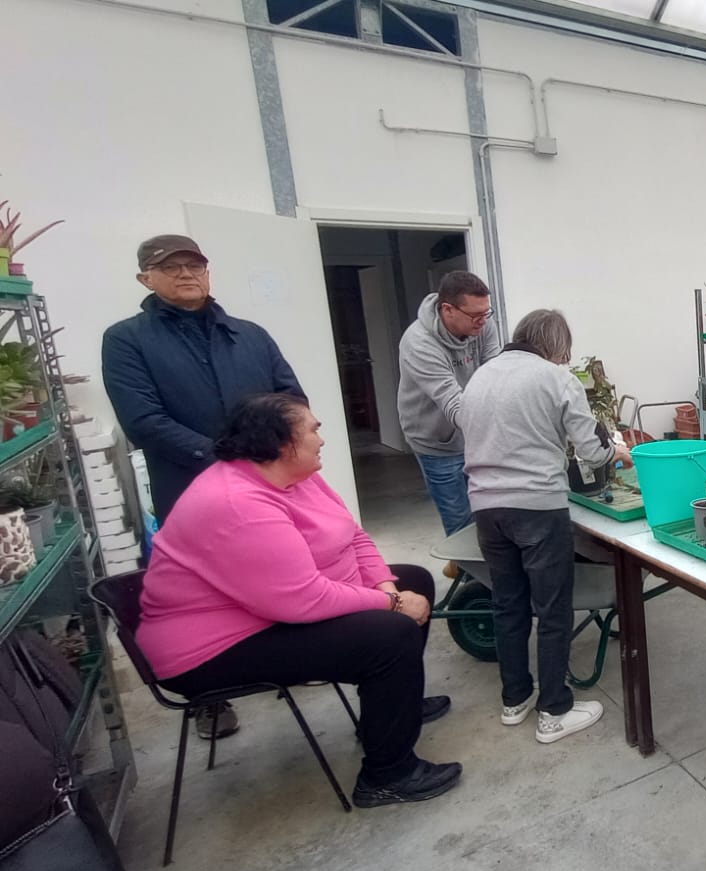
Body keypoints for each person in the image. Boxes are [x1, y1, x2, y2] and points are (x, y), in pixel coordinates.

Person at [137, 394, 461, 808]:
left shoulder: (297, 475)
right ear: (281, 442)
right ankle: (387, 776)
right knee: (390, 634)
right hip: (210, 648)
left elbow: (353, 535)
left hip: (267, 611)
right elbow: (302, 599)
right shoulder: (236, 501)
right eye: (313, 430)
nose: (321, 439)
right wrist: (393, 607)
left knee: (412, 580)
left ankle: (391, 711)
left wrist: (388, 590)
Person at [102, 234, 304, 741]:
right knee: (203, 591)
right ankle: (210, 698)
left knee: (279, 569)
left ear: (208, 271)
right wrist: (225, 458)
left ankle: (297, 656)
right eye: (171, 267)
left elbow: (291, 398)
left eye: (194, 264)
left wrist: (274, 449)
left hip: (268, 487)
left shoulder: (249, 335)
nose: (186, 274)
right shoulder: (128, 340)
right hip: (190, 490)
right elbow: (144, 421)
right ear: (146, 279)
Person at [461, 310, 631, 741]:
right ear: (556, 346)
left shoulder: (480, 377)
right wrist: (617, 451)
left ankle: (515, 699)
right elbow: (592, 450)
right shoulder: (556, 379)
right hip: (537, 506)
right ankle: (554, 710)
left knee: (508, 605)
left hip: (486, 507)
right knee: (553, 609)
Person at [397, 271, 502, 537]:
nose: (483, 321)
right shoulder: (419, 343)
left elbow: (496, 376)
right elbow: (453, 404)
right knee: (460, 524)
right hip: (437, 442)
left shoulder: (484, 324)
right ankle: (468, 563)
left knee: (494, 514)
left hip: (477, 437)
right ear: (448, 310)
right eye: (475, 315)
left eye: (486, 313)